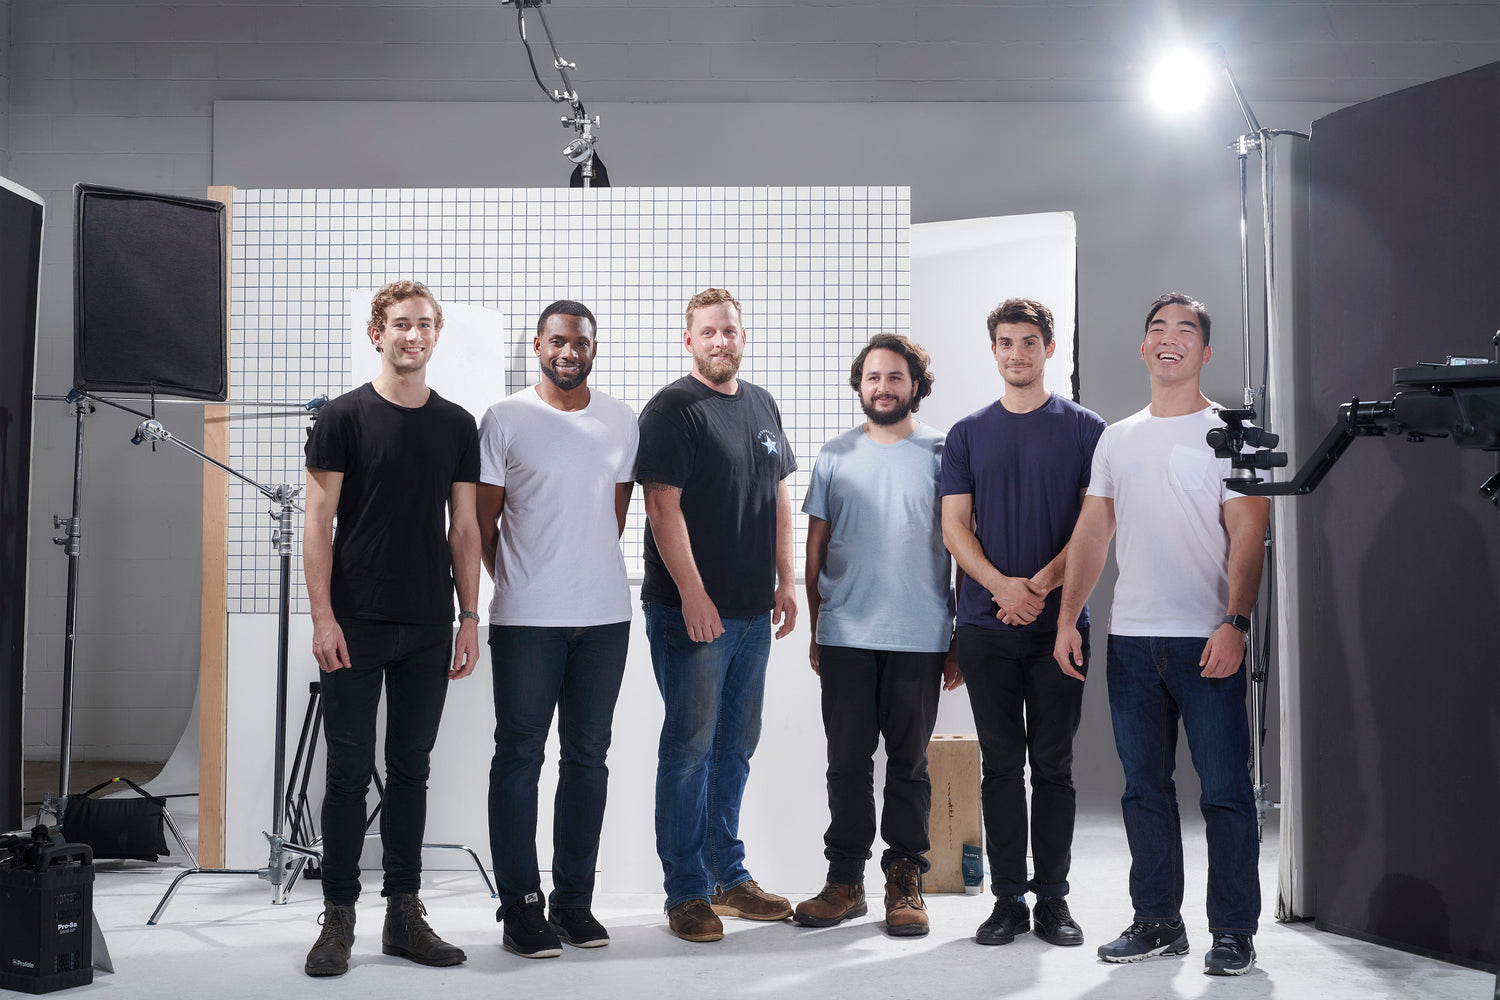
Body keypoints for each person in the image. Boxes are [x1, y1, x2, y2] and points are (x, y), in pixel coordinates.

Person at [1054, 292, 1269, 976]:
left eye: (1185, 331)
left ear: (1205, 352)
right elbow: (1093, 532)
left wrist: (1235, 622)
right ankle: (1157, 921)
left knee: (1225, 790)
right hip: (1134, 643)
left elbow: (1251, 533)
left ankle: (1233, 930)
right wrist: (1067, 615)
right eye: (1157, 330)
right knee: (1143, 789)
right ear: (1143, 349)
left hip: (1206, 639)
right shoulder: (1117, 438)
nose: (1168, 339)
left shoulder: (1235, 432)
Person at [301, 280, 480, 977]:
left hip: (430, 623)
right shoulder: (342, 418)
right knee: (348, 774)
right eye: (401, 325)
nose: (414, 335)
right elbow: (318, 524)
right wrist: (323, 617)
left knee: (411, 771)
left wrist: (470, 616)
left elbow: (463, 528)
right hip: (355, 621)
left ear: (437, 335)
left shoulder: (457, 425)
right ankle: (337, 917)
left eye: (425, 325)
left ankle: (403, 914)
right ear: (377, 334)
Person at [940, 298, 1105, 949]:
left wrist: (1036, 587)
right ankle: (1008, 900)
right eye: (1006, 342)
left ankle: (1054, 902)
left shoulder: (1087, 430)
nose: (1017, 353)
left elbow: (1095, 528)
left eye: (1028, 341)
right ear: (994, 351)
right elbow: (954, 526)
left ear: (1049, 347)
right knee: (1002, 767)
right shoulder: (968, 433)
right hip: (985, 626)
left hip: (1060, 626)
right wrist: (1002, 586)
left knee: (1055, 767)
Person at [636, 288, 798, 943]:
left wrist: (787, 578)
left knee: (734, 749)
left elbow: (779, 491)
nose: (721, 341)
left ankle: (727, 879)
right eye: (708, 332)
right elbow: (660, 506)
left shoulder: (760, 403)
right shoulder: (673, 409)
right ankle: (685, 894)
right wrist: (694, 594)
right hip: (691, 615)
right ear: (689, 341)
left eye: (729, 330)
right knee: (689, 753)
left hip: (753, 614)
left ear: (743, 335)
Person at [477, 300, 638, 958]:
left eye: (581, 342)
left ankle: (574, 903)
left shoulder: (622, 420)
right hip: (526, 621)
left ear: (594, 349)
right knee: (519, 758)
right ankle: (520, 907)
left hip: (604, 619)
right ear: (537, 346)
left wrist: (575, 570)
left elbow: (616, 516)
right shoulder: (506, 419)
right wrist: (521, 579)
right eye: (557, 341)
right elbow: (484, 523)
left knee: (588, 760)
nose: (569, 352)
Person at [793, 334, 958, 937]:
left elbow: (965, 546)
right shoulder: (834, 456)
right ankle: (845, 881)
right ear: (859, 385)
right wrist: (817, 630)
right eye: (872, 378)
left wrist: (957, 633)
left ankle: (905, 878)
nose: (882, 387)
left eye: (894, 377)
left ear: (916, 385)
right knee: (847, 762)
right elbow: (813, 553)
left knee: (909, 765)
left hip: (921, 633)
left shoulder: (946, 453)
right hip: (846, 633)